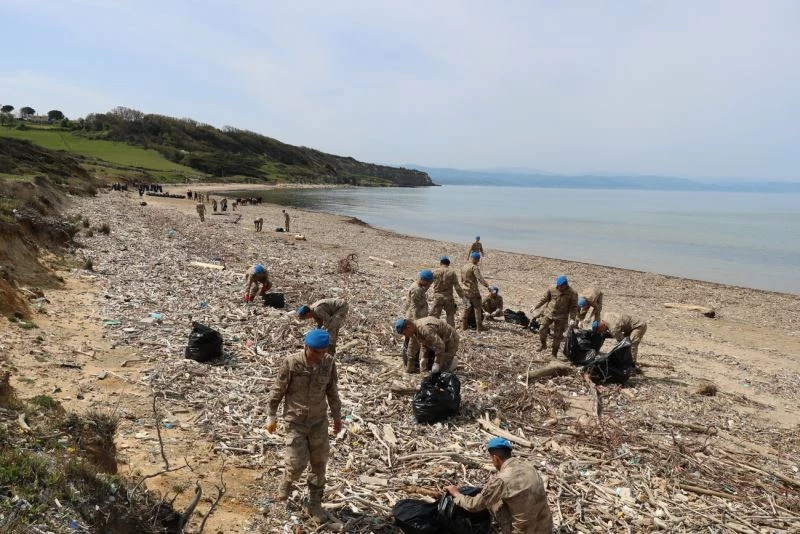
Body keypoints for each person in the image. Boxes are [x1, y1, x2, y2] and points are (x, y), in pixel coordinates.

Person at [267, 329, 342, 524]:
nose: (320, 356)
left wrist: (337, 418)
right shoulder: (292, 363)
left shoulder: (329, 362)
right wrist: (271, 415)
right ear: (306, 347)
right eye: (317, 352)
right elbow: (278, 389)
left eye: (323, 351)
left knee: (319, 464)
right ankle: (287, 481)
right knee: (296, 463)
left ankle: (314, 503)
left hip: (318, 422)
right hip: (295, 422)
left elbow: (332, 391)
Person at [445, 437, 553, 534]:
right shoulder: (529, 467)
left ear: (496, 458)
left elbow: (474, 505)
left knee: (494, 502)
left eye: (492, 459)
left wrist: (456, 494)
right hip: (546, 528)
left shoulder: (501, 480)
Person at [531, 275, 578, 358]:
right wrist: (536, 306)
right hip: (549, 313)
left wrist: (572, 319)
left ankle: (554, 353)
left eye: (561, 286)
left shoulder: (573, 293)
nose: (559, 288)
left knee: (558, 336)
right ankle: (543, 344)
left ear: (566, 285)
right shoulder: (552, 288)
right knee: (542, 329)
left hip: (561, 317)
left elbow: (574, 307)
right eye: (558, 286)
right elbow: (544, 299)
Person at [395, 316, 459, 373]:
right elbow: (415, 347)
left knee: (442, 371)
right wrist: (423, 358)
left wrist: (436, 363)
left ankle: (453, 362)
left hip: (450, 339)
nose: (405, 335)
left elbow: (440, 345)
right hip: (438, 339)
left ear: (408, 327)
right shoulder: (414, 329)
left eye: (404, 333)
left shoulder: (425, 329)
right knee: (426, 365)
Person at [403, 269, 434, 371]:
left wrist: (427, 286)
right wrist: (417, 323)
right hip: (415, 319)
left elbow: (421, 293)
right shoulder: (416, 289)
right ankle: (410, 366)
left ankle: (408, 363)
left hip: (414, 318)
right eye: (429, 282)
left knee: (410, 341)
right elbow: (414, 306)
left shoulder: (419, 287)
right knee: (413, 342)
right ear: (424, 280)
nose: (429, 284)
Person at [431, 256, 465, 327]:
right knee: (450, 317)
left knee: (434, 317)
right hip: (448, 298)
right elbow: (457, 287)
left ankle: (432, 332)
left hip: (438, 297)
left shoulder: (435, 272)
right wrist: (463, 297)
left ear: (440, 263)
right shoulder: (452, 272)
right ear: (448, 264)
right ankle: (451, 334)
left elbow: (428, 283)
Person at [461, 252, 490, 332]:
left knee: (466, 308)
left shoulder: (464, 266)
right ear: (477, 260)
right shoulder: (474, 267)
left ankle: (464, 326)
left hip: (464, 291)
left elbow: (461, 279)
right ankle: (479, 328)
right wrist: (488, 286)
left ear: (471, 257)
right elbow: (480, 278)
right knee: (477, 308)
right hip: (473, 292)